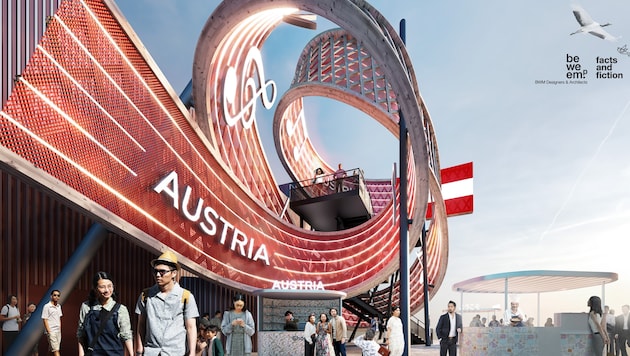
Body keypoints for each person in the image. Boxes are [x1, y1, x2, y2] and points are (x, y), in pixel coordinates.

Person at [135, 250, 199, 356]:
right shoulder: (145, 295)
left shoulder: (186, 296)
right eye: (155, 271)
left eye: (162, 272)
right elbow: (141, 324)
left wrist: (192, 352)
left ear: (174, 273)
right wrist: (139, 349)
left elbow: (191, 327)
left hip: (175, 352)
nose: (158, 275)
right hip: (151, 351)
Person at [77, 271, 133, 355]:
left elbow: (126, 335)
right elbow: (81, 334)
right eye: (102, 287)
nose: (107, 290)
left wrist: (131, 354)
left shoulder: (121, 309)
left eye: (110, 286)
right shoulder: (86, 307)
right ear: (95, 289)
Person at [42, 289, 63, 356]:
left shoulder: (59, 306)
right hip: (51, 331)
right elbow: (45, 319)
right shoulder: (47, 306)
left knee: (52, 349)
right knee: (56, 350)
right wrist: (49, 331)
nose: (56, 297)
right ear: (51, 296)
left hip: (58, 331)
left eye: (58, 295)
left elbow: (59, 318)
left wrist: (60, 329)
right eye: (55, 295)